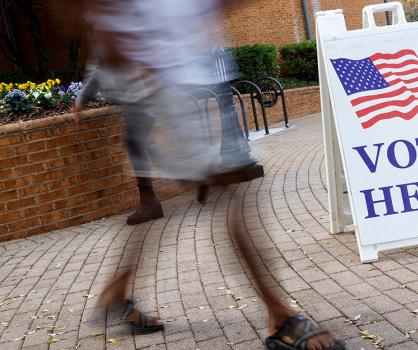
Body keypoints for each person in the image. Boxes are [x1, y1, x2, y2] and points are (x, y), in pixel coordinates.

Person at [75, 1, 345, 349]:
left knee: (179, 211)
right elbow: (103, 27)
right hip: (169, 90)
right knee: (232, 200)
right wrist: (151, 92)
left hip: (197, 84)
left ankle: (117, 291)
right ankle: (280, 318)